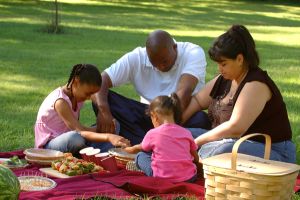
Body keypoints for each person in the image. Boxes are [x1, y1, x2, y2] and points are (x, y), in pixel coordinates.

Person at [182, 25, 296, 163]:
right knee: (181, 136)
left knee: (222, 150)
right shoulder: (224, 79)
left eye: (224, 64)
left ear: (240, 59)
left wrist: (197, 142)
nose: (220, 69)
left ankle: (187, 161)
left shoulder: (256, 84)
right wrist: (174, 126)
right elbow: (198, 101)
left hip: (271, 151)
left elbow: (236, 128)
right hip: (230, 142)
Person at [92, 30, 211, 145]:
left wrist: (164, 127)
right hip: (148, 113)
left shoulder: (192, 52)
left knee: (200, 119)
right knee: (104, 98)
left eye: (164, 61)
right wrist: (103, 110)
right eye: (155, 63)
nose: (160, 67)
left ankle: (146, 142)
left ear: (175, 48)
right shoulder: (137, 57)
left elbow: (183, 93)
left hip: (178, 115)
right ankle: (147, 143)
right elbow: (101, 81)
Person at [34, 64, 130, 155]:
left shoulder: (77, 94)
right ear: (76, 82)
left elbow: (97, 100)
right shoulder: (60, 102)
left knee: (113, 125)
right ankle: (92, 152)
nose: (89, 97)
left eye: (91, 94)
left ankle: (94, 153)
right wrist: (108, 136)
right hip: (49, 145)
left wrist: (102, 114)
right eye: (87, 93)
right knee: (75, 138)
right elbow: (79, 131)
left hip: (73, 137)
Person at [124, 93, 201, 182]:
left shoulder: (152, 133)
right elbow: (195, 157)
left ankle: (141, 168)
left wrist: (130, 149)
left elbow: (140, 148)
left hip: (161, 178)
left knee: (141, 156)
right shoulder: (186, 132)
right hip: (188, 177)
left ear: (155, 117)